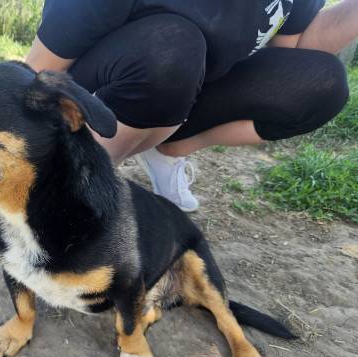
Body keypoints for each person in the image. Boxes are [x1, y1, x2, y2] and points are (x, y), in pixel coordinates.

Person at [26, 0, 357, 212]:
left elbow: (293, 48)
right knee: (173, 45)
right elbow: (39, 68)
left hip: (187, 87)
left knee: (321, 81)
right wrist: (28, 122)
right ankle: (79, 180)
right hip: (102, 81)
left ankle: (168, 150)